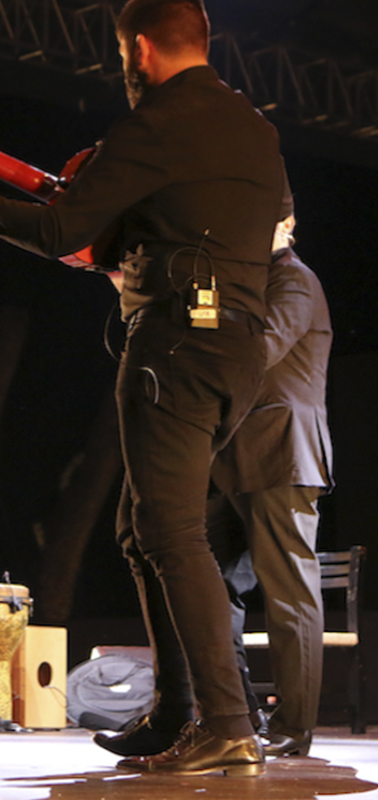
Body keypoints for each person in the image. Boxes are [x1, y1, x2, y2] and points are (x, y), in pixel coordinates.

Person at [0, 0, 284, 776]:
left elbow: (66, 234)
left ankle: (226, 722)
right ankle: (174, 713)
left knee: (169, 530)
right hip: (239, 349)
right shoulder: (253, 129)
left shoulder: (157, 121)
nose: (123, 68)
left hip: (173, 343)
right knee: (144, 526)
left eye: (123, 53)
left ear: (140, 47)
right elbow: (173, 228)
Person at [210, 200, 333, 758]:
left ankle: (294, 729)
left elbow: (258, 353)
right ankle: (232, 715)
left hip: (282, 453)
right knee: (212, 588)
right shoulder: (250, 282)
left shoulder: (295, 282)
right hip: (236, 458)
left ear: (287, 224)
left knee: (289, 595)